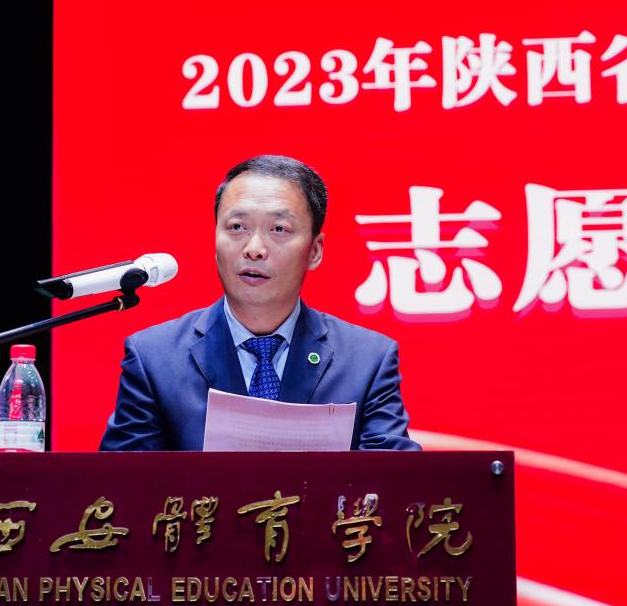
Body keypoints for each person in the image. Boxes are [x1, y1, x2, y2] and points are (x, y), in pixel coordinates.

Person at [99, 155, 419, 451]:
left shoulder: (367, 360)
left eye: (278, 229)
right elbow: (123, 485)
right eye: (237, 227)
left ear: (315, 251)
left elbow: (395, 481)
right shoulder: (155, 359)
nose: (254, 248)